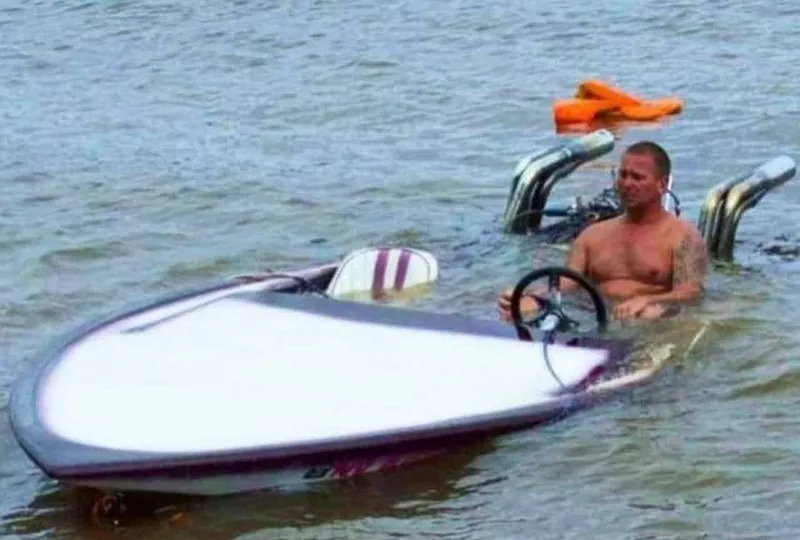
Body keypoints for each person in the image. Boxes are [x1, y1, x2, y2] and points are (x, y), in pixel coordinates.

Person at [497, 140, 709, 322]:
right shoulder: (593, 235)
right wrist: (528, 293)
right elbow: (569, 283)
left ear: (661, 184)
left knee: (649, 314)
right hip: (593, 313)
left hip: (647, 317)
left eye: (637, 177)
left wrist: (647, 300)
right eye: (623, 175)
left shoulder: (683, 236)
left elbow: (690, 293)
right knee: (520, 307)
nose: (627, 183)